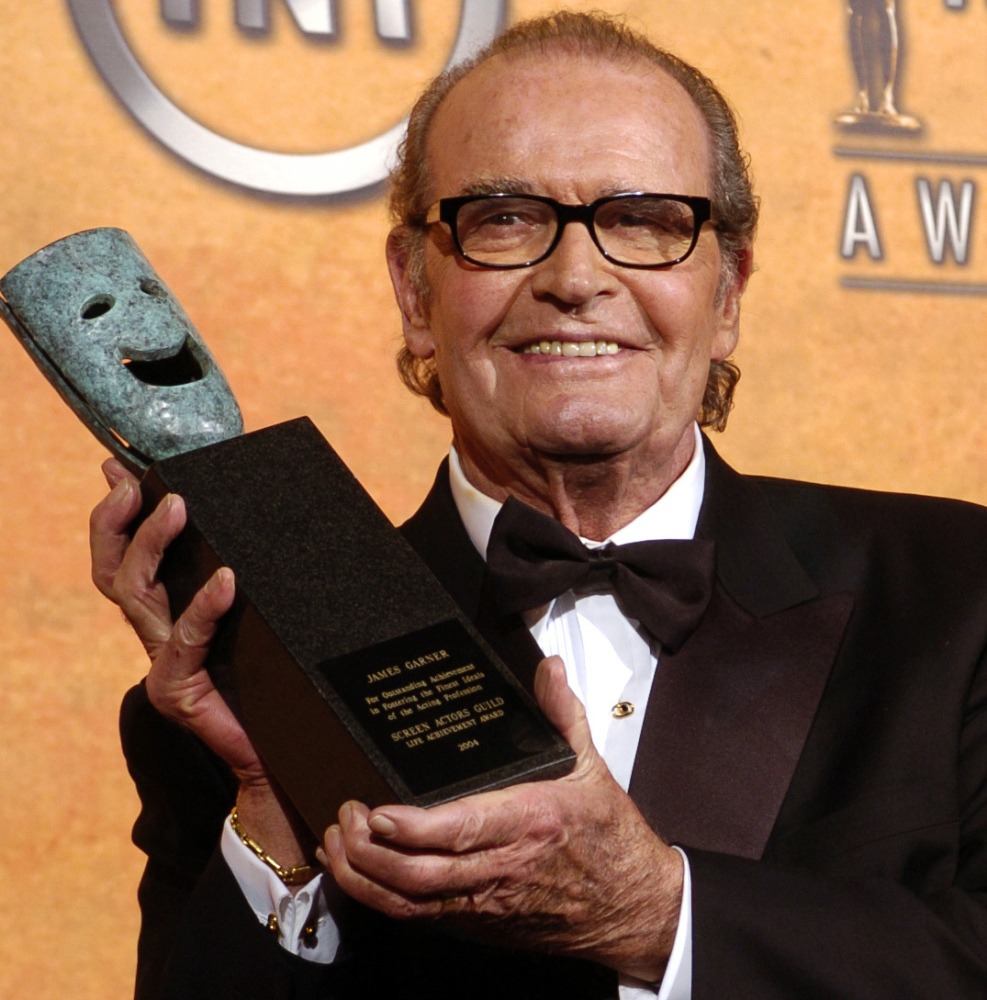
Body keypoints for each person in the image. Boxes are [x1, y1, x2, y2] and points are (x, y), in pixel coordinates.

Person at [89, 11, 987, 1000]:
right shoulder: (243, 678)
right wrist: (279, 800)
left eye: (644, 220)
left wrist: (662, 915)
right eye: (505, 219)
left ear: (727, 290)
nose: (574, 278)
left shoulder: (958, 590)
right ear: (415, 292)